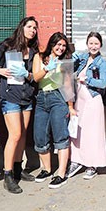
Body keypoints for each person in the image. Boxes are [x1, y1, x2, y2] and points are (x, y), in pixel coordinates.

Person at [0, 17, 39, 194]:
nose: (33, 30)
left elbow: (35, 74)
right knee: (15, 134)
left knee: (23, 134)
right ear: (22, 27)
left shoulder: (33, 51)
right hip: (10, 96)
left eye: (35, 28)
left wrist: (29, 74)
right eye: (29, 26)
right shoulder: (7, 45)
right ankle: (7, 174)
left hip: (27, 96)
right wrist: (0, 70)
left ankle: (18, 168)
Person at [66, 32, 106, 180]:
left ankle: (93, 165)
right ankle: (77, 161)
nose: (93, 46)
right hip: (80, 100)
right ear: (87, 44)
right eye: (91, 43)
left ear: (100, 45)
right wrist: (74, 57)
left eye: (96, 43)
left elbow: (103, 83)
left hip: (93, 100)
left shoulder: (102, 62)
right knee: (79, 132)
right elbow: (68, 67)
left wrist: (87, 79)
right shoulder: (83, 58)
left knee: (93, 133)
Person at [32, 32, 73, 189]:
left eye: (64, 46)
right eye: (58, 44)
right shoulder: (40, 57)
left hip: (58, 98)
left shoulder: (65, 63)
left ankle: (61, 173)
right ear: (52, 44)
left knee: (60, 135)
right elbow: (36, 78)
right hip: (42, 97)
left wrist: (70, 106)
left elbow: (68, 86)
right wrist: (47, 69)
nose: (61, 48)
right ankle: (47, 169)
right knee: (40, 135)